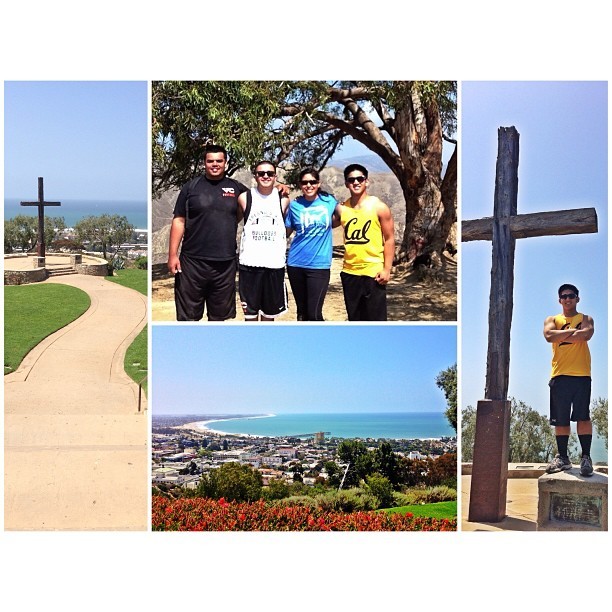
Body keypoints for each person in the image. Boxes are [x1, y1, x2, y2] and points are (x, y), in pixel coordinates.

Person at [167, 144, 247, 321]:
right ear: (204, 163)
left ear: (226, 162)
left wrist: (279, 185)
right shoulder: (191, 187)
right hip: (192, 263)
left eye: (219, 160)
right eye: (210, 161)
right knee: (188, 318)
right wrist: (173, 255)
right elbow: (179, 220)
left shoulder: (236, 188)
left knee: (219, 319)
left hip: (225, 264)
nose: (215, 164)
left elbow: (259, 199)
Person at [543, 283, 595, 476]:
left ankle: (586, 458)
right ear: (559, 300)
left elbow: (587, 334)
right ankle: (563, 458)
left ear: (577, 298)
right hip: (559, 375)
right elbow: (549, 336)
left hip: (581, 375)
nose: (567, 299)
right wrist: (575, 333)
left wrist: (561, 335)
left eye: (571, 295)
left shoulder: (586, 318)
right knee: (561, 420)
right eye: (564, 296)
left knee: (583, 417)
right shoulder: (552, 319)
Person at [335, 164, 395, 321]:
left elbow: (389, 239)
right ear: (346, 183)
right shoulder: (342, 209)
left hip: (373, 274)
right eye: (351, 179)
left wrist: (387, 269)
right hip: (349, 273)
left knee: (376, 321)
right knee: (355, 320)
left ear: (366, 181)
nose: (356, 182)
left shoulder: (379, 207)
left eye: (360, 179)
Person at [237, 161, 290, 321]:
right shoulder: (245, 198)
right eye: (261, 173)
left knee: (269, 316)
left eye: (270, 173)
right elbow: (232, 220)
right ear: (255, 176)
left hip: (274, 266)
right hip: (249, 265)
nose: (265, 176)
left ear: (275, 176)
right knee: (250, 316)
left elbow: (287, 227)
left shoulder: (284, 200)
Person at [285, 168, 338, 321]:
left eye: (312, 182)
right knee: (301, 313)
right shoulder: (295, 205)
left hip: (319, 266)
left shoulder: (329, 202)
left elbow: (344, 217)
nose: (309, 185)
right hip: (296, 263)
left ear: (318, 183)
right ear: (300, 185)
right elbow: (286, 232)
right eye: (305, 182)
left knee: (314, 313)